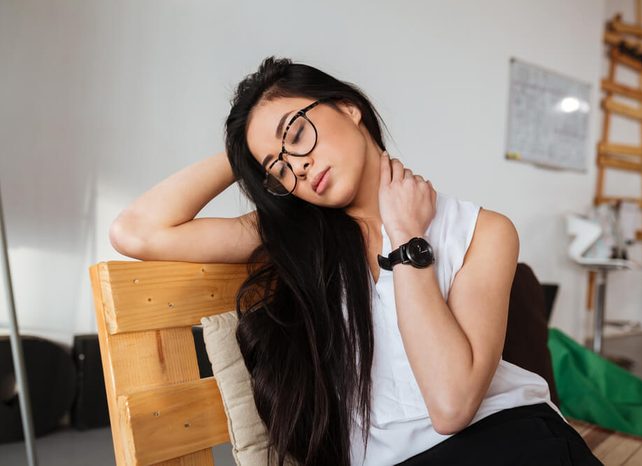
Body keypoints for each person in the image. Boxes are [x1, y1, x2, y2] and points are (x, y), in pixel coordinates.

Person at [109, 56, 603, 466]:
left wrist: (408, 239)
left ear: (348, 109)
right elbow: (136, 231)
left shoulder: (484, 231)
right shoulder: (299, 240)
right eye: (278, 169)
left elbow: (453, 406)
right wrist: (247, 146)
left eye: (297, 134)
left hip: (509, 439)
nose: (297, 166)